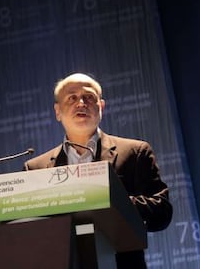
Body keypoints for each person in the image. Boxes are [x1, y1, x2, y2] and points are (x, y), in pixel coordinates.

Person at [24, 73, 172, 269]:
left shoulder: (135, 152)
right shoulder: (36, 168)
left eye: (89, 97)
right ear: (57, 112)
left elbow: (161, 212)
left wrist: (111, 202)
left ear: (101, 107)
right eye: (72, 98)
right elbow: (32, 231)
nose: (81, 103)